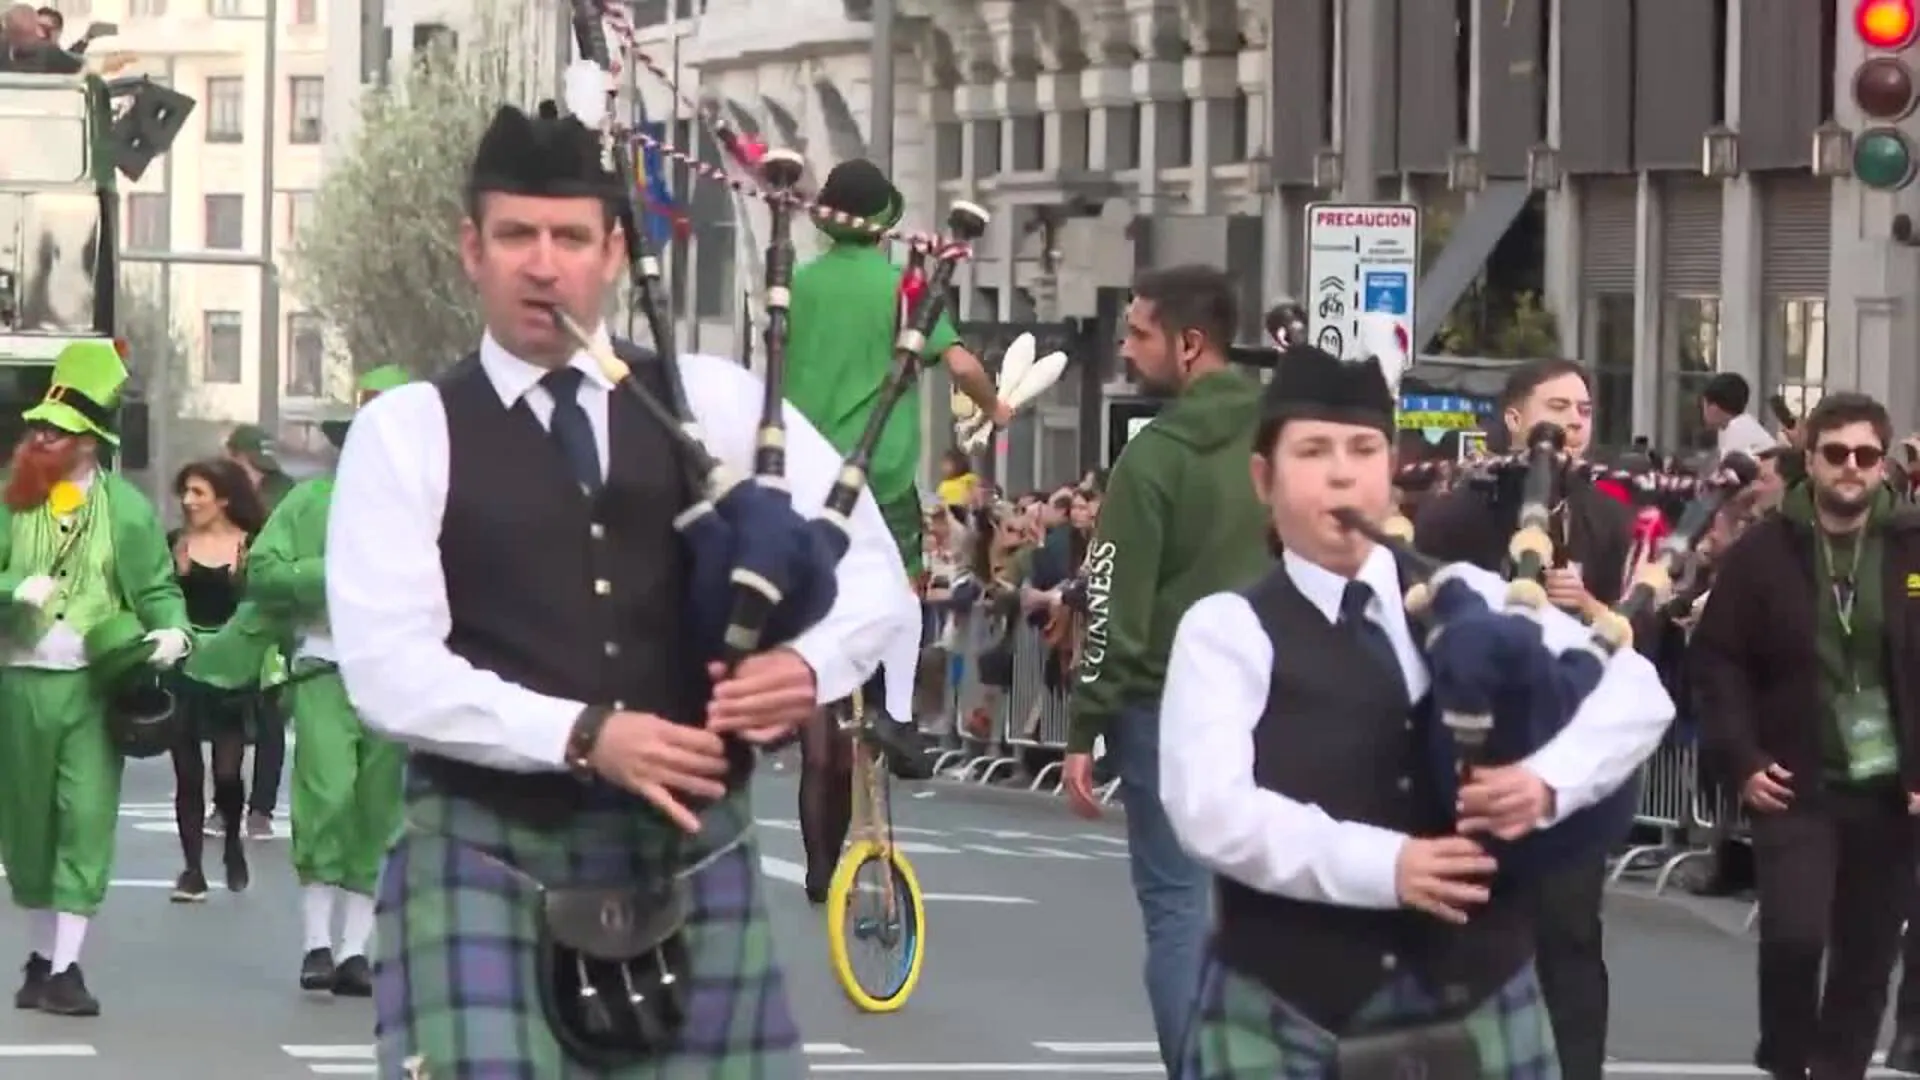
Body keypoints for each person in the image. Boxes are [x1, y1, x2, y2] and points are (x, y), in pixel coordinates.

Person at [326, 99, 910, 1076]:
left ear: (610, 252)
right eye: (516, 235)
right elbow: (389, 671)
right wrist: (586, 734)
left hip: (692, 856)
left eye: (568, 237)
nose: (542, 263)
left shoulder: (716, 403)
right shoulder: (409, 431)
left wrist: (807, 667)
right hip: (484, 851)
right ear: (473, 249)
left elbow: (872, 576)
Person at [1159, 339, 1674, 1079]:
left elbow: (1635, 690)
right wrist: (1386, 866)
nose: (1342, 470)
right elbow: (1210, 808)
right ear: (1263, 478)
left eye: (1364, 449)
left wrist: (1547, 782)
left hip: (1480, 999)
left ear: (1392, 470)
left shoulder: (1474, 596)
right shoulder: (1227, 629)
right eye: (1313, 451)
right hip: (1291, 1007)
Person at [1061, 264, 1273, 1070]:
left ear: (1190, 343)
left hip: (1168, 706)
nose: (1125, 345)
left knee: (1177, 907)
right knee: (1273, 901)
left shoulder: (1151, 460)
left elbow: (1113, 600)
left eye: (1139, 331)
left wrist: (1086, 723)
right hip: (1279, 699)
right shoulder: (1284, 441)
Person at [781, 157, 1006, 891]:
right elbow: (964, 365)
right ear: (884, 223)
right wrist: (995, 406)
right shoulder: (904, 290)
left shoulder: (799, 284)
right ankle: (894, 714)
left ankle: (818, 868)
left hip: (804, 487)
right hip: (880, 485)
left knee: (819, 659)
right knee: (899, 607)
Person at [1410, 357, 1634, 1080]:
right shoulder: (1459, 508)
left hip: (1565, 755)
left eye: (1584, 409)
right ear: (1513, 418)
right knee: (1468, 929)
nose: (1573, 422)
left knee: (1571, 934)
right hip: (1470, 752)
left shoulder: (1607, 514)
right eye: (1556, 406)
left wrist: (1591, 607)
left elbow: (1637, 638)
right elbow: (1421, 612)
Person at [1691, 392, 1920, 1080]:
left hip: (1889, 790)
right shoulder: (1765, 548)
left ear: (1884, 466)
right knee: (1795, 935)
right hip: (1794, 779)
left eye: (1866, 455)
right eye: (1836, 453)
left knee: (1868, 950)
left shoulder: (1911, 547)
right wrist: (1742, 758)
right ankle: (1788, 1062)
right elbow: (1718, 658)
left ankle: (1841, 1067)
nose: (1851, 467)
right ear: (1810, 461)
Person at [186, 368, 415, 998]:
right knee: (326, 794)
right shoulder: (313, 502)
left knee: (380, 809)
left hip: (396, 675)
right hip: (324, 666)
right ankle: (317, 943)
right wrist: (335, 571)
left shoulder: (431, 503)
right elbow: (264, 570)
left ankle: (354, 951)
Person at [0, 340, 192, 1017]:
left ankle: (66, 967)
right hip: (18, 684)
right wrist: (9, 591)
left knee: (83, 820)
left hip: (89, 688)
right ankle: (38, 956)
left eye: (59, 430)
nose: (43, 436)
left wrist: (173, 631)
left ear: (89, 442)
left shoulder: (130, 513)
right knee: (28, 832)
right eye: (40, 427)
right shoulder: (10, 501)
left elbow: (160, 590)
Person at [165, 457, 267, 903]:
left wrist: (243, 579)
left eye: (198, 493)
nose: (188, 502)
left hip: (232, 668)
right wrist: (178, 575)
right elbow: (159, 599)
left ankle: (231, 844)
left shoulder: (252, 546)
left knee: (227, 772)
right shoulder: (175, 544)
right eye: (185, 492)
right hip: (185, 667)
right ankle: (191, 870)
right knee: (187, 773)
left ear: (223, 499)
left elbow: (262, 605)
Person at [221, 423, 293, 839]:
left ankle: (259, 809)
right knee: (232, 711)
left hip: (266, 618)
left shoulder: (282, 496)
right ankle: (234, 808)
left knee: (265, 713)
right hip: (238, 616)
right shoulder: (225, 492)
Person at [1700, 373, 1777, 461]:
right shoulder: (1742, 425)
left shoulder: (1737, 430)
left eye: (1703, 405)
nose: (1703, 413)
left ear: (1714, 407)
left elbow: (1728, 472)